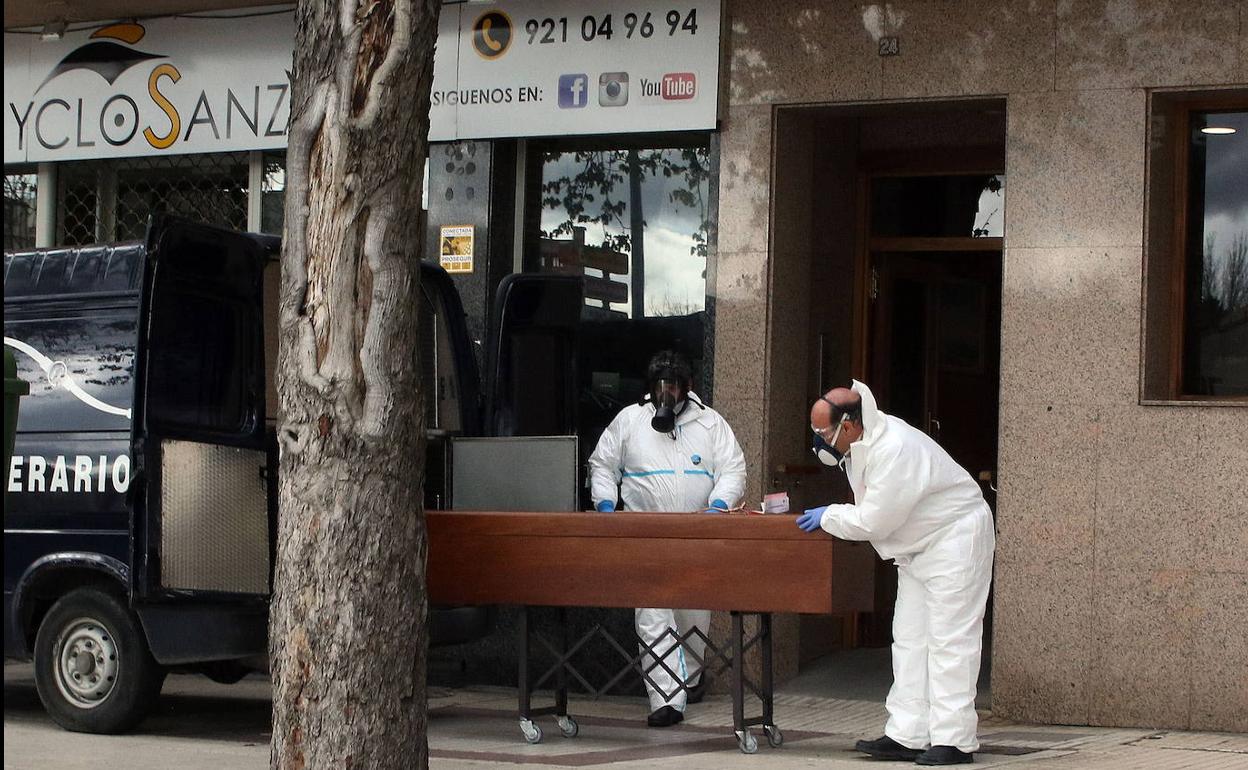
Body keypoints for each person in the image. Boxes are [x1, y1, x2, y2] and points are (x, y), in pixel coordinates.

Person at [796, 381, 994, 766]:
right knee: (910, 640)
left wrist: (830, 514)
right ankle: (908, 734)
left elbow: (874, 521)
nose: (819, 441)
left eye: (822, 433)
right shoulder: (863, 443)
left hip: (954, 539)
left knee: (950, 642)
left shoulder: (894, 448)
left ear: (848, 426)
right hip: (918, 547)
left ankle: (954, 741)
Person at [588, 350, 747, 727]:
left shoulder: (711, 424)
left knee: (693, 614)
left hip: (696, 535)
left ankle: (690, 680)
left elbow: (733, 467)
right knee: (653, 615)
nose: (667, 395)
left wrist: (718, 506)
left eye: (673, 387)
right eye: (661, 387)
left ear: (687, 387)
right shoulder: (629, 421)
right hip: (645, 537)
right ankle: (666, 700)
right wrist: (607, 506)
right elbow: (602, 464)